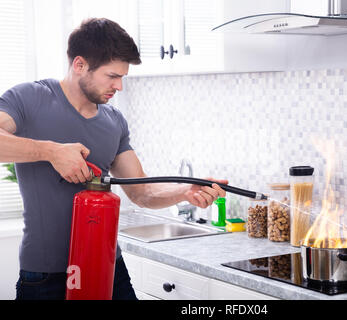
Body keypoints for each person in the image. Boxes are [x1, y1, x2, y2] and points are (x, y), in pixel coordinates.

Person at [0, 17, 228, 300]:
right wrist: (51, 151)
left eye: (122, 77)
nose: (119, 86)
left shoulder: (114, 121)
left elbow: (142, 192)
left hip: (107, 268)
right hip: (46, 277)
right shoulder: (30, 98)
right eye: (112, 76)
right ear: (80, 65)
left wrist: (184, 191)